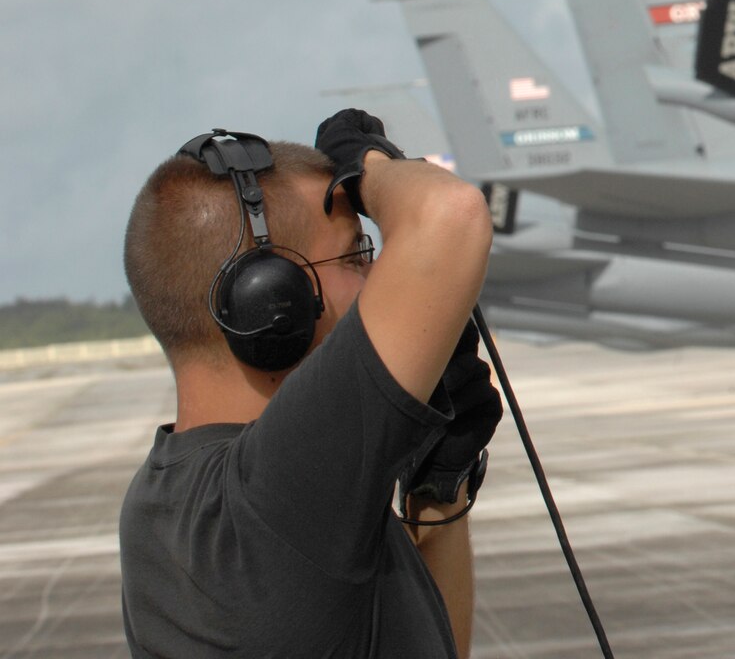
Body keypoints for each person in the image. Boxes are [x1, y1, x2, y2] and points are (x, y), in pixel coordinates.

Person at [118, 109, 497, 657]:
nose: (376, 275)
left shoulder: (161, 500)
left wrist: (437, 493)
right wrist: (365, 163)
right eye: (356, 253)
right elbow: (451, 215)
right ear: (269, 300)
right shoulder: (279, 490)